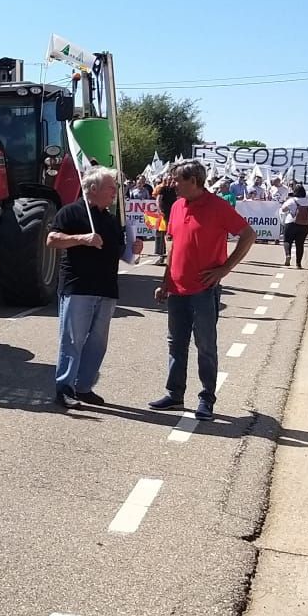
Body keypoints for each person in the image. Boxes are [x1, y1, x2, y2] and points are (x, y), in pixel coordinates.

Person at [150, 159, 257, 421]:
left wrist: (224, 270)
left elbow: (248, 235)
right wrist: (165, 282)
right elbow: (174, 245)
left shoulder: (218, 207)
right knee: (176, 344)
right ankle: (175, 395)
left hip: (203, 290)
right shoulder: (176, 206)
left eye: (178, 180)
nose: (172, 184)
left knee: (205, 345)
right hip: (177, 289)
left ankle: (206, 398)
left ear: (194, 182)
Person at [47, 166, 144, 409]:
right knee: (72, 340)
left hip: (107, 288)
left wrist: (133, 250)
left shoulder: (111, 220)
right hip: (78, 287)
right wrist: (81, 239)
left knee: (97, 342)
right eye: (111, 188)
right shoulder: (71, 212)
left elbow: (120, 252)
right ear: (93, 189)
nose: (115, 192)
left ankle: (84, 387)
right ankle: (64, 387)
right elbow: (51, 240)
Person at [279, 183, 308, 268]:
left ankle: (288, 255)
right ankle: (298, 263)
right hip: (304, 225)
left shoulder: (292, 200)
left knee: (287, 240)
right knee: (300, 244)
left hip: (291, 222)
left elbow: (283, 209)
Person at [152, 170, 178, 263]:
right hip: (163, 215)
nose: (170, 181)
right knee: (160, 235)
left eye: (172, 180)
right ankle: (160, 256)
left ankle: (173, 256)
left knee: (173, 235)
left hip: (174, 216)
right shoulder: (163, 189)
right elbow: (158, 200)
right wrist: (160, 210)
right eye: (168, 179)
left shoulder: (177, 190)